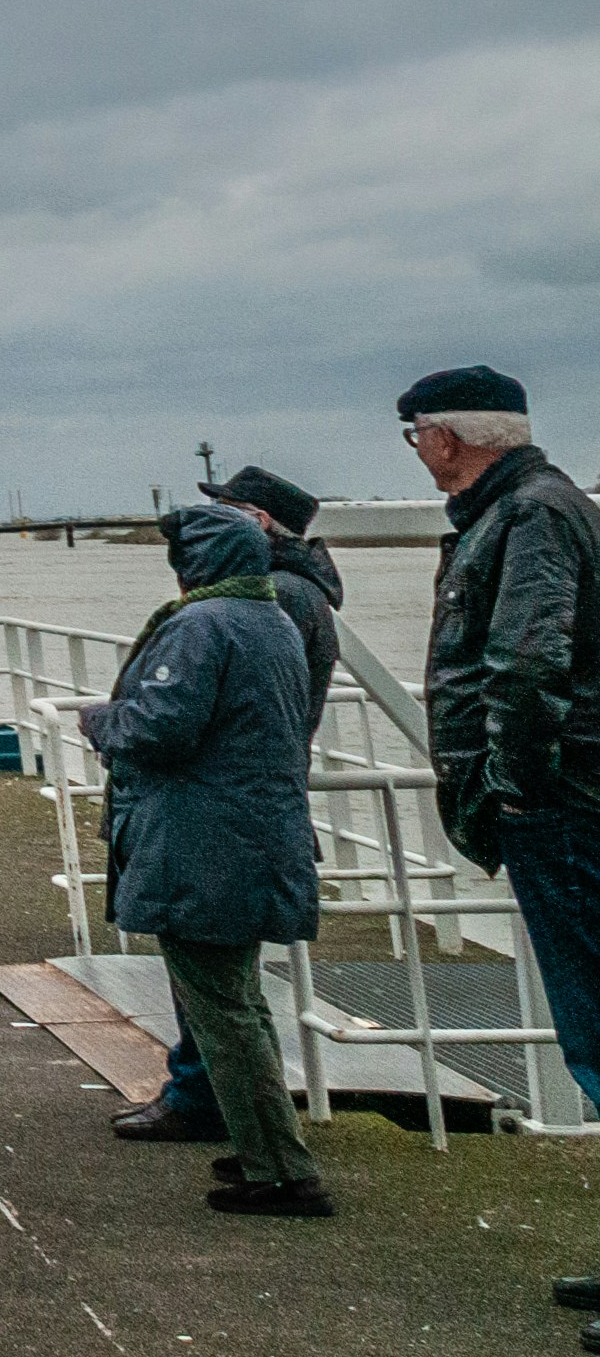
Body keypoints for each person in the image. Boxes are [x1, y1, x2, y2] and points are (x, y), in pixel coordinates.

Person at [396, 368, 600, 1334]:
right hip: (563, 804)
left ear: (449, 436)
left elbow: (525, 662)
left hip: (567, 810)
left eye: (415, 436)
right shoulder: (531, 509)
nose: (418, 453)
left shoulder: (532, 517)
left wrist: (512, 789)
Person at [80, 501, 329, 1214]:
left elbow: (160, 728)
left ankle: (281, 1172)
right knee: (242, 1006)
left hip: (202, 848)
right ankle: (272, 1151)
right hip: (253, 839)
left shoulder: (200, 626)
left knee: (222, 1010)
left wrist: (101, 720)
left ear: (193, 566)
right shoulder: (275, 620)